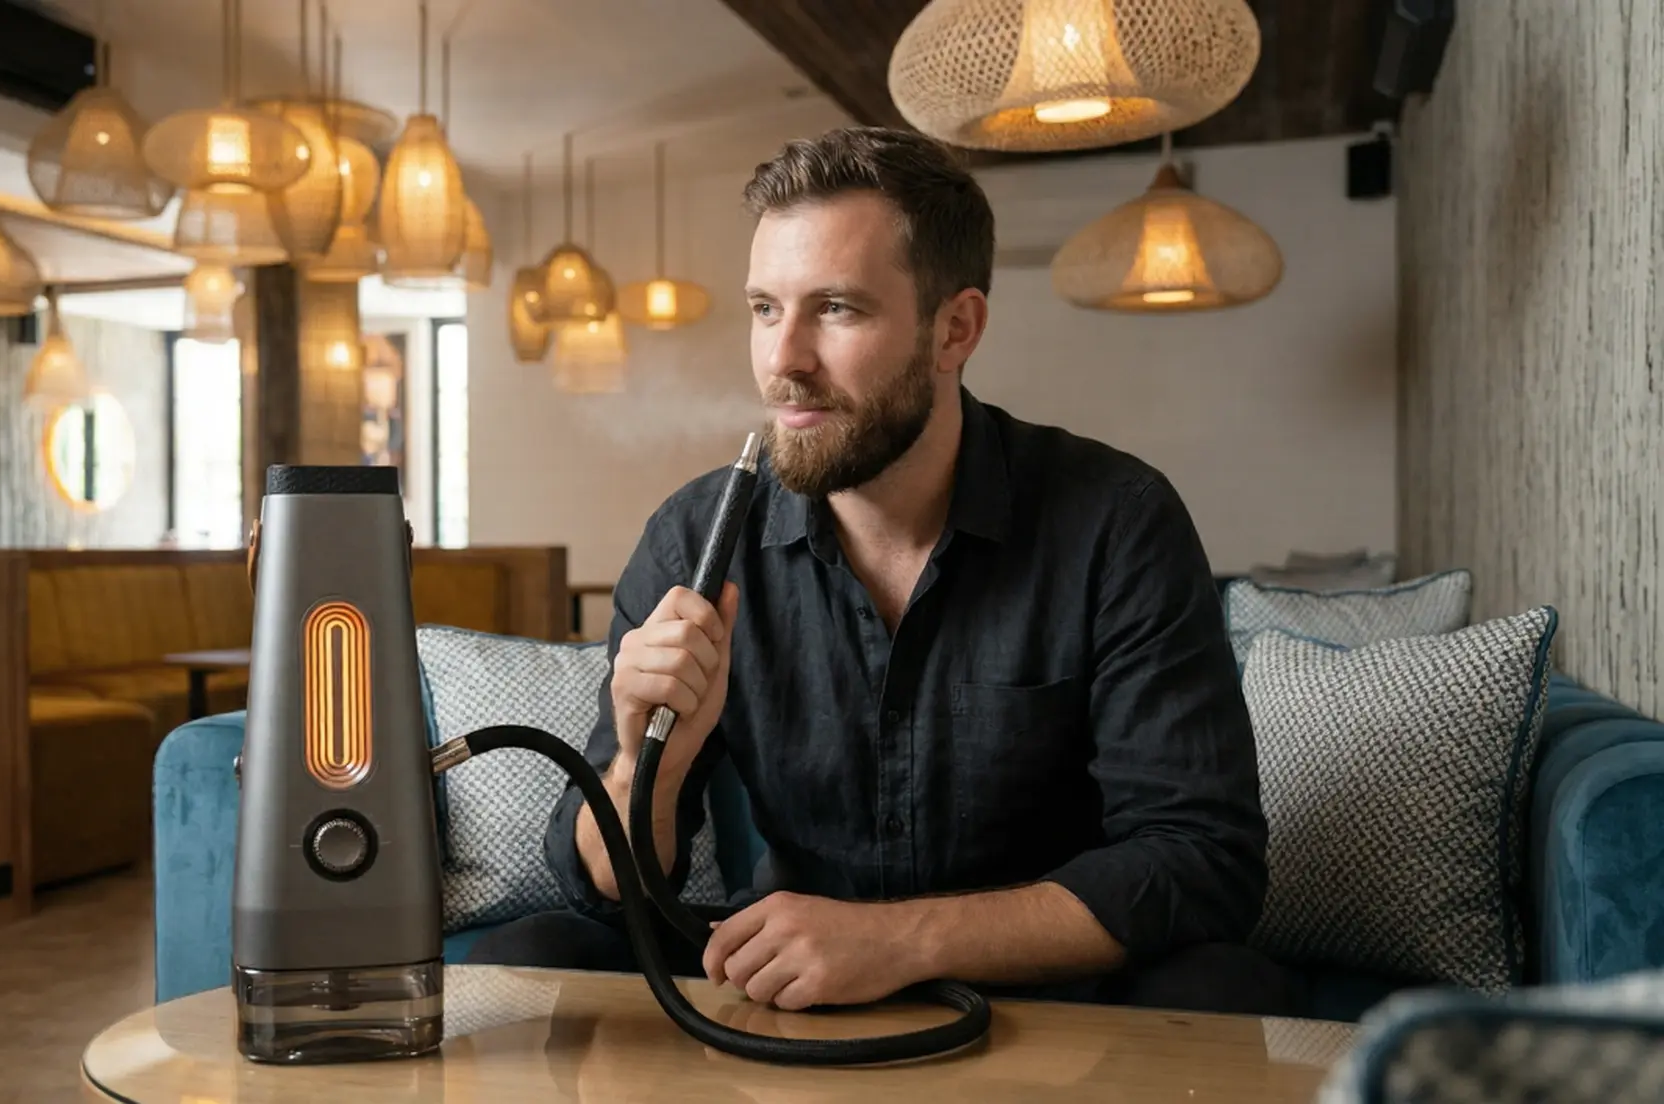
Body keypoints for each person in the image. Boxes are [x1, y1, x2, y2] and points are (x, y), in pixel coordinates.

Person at [466, 125, 1287, 1016]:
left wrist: (895, 942)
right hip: (790, 972)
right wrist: (641, 756)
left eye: (838, 309)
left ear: (955, 328)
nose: (784, 361)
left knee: (1225, 986)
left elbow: (1202, 858)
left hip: (1049, 987)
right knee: (537, 948)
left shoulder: (1117, 521)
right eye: (766, 309)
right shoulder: (697, 535)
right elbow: (599, 883)